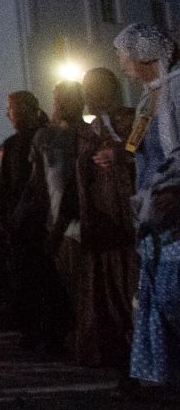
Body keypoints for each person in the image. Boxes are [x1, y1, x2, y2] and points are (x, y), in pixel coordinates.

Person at [115, 23, 180, 389]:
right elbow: (136, 151)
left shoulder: (178, 91)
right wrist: (117, 158)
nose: (121, 61)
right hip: (151, 214)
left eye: (124, 53)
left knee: (173, 294)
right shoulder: (146, 99)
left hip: (174, 209)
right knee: (156, 296)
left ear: (145, 54)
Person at [69, 66, 140, 384]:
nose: (86, 95)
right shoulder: (88, 130)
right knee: (108, 298)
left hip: (130, 223)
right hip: (101, 227)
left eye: (92, 88)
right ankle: (123, 367)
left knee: (133, 293)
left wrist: (123, 155)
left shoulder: (131, 120)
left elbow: (141, 150)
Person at [13, 85, 78, 354]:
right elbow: (37, 181)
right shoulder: (46, 136)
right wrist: (19, 216)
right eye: (60, 98)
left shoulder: (89, 133)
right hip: (55, 218)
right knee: (62, 283)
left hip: (85, 217)